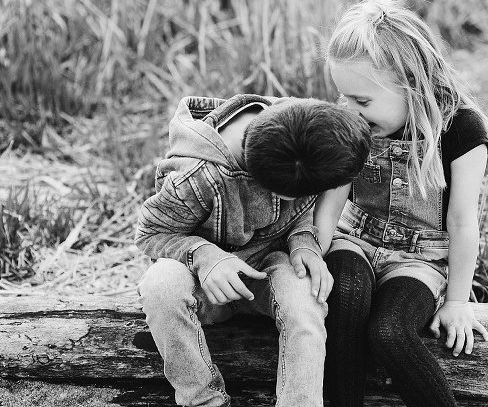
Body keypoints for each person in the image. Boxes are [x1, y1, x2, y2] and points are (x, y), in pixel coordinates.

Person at [135, 93, 371, 407]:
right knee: (160, 285)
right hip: (203, 279)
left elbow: (301, 213)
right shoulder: (197, 177)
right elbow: (150, 233)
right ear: (279, 191)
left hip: (267, 265)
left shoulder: (299, 128)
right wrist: (205, 256)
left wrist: (304, 243)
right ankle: (204, 400)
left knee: (306, 297)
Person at [323, 0, 488, 407]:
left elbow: (462, 222)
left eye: (362, 100)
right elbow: (333, 199)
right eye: (344, 97)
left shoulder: (462, 131)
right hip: (355, 238)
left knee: (388, 332)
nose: (350, 110)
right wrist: (312, 248)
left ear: (411, 83)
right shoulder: (355, 122)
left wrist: (457, 301)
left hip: (420, 259)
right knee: (345, 297)